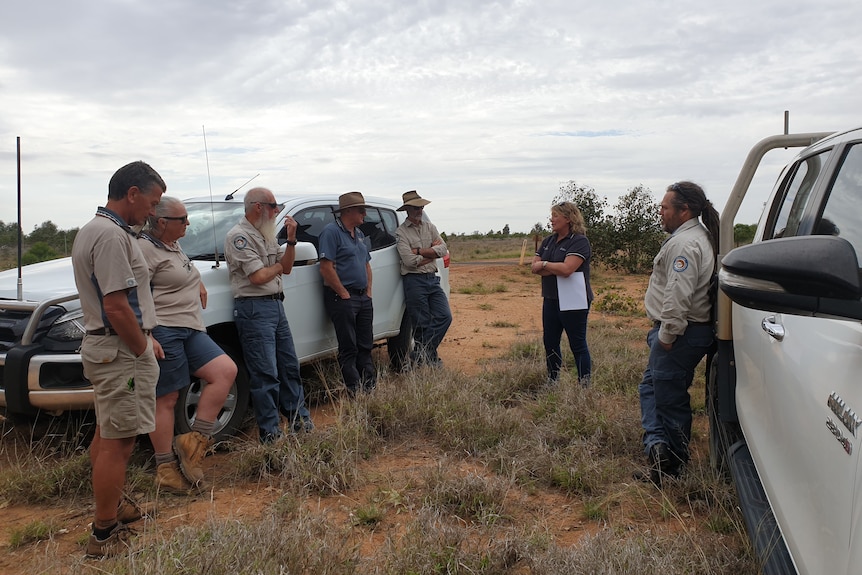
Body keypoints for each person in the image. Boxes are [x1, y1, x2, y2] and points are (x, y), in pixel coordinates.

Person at [72, 161, 165, 558]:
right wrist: (141, 347)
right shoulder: (111, 237)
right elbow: (117, 306)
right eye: (152, 201)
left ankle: (113, 506)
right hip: (119, 351)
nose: (153, 211)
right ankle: (104, 533)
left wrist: (144, 337)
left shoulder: (96, 229)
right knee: (119, 442)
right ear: (132, 193)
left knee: (106, 432)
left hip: (111, 348)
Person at [138, 196, 237, 490]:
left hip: (191, 327)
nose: (188, 223)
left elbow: (181, 270)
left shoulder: (172, 244)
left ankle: (193, 444)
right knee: (167, 397)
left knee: (225, 372)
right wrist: (147, 334)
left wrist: (198, 282)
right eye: (183, 219)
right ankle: (165, 468)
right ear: (161, 222)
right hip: (164, 328)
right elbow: (136, 295)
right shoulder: (143, 249)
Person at [636, 181, 719, 486]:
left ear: (684, 211)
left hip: (680, 334)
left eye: (665, 207)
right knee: (652, 389)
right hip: (685, 332)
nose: (661, 212)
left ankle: (671, 465)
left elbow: (678, 294)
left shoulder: (685, 244)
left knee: (668, 398)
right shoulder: (694, 237)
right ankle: (659, 450)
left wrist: (667, 335)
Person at [223, 187, 312, 443]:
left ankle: (300, 423)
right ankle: (271, 434)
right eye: (274, 206)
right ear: (258, 206)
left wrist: (292, 240)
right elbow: (258, 276)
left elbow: (285, 269)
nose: (277, 211)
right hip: (254, 308)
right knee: (265, 374)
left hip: (274, 305)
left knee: (288, 367)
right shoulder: (239, 236)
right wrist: (274, 267)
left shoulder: (267, 235)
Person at [319, 192, 376, 396]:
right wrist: (343, 293)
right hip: (344, 298)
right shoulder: (331, 232)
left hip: (362, 297)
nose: (365, 213)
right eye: (361, 209)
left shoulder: (358, 234)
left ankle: (369, 387)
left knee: (366, 344)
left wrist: (368, 291)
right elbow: (326, 267)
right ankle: (353, 390)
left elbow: (366, 264)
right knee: (349, 347)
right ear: (348, 211)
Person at [531, 202, 593, 386]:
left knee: (577, 344)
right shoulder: (549, 240)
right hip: (550, 299)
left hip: (574, 300)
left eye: (555, 215)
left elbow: (567, 269)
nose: (551, 219)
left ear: (568, 218)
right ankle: (552, 380)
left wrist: (545, 265)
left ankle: (584, 385)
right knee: (550, 342)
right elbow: (534, 267)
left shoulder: (579, 241)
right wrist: (550, 267)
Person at [395, 190, 452, 368]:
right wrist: (431, 253)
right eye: (415, 207)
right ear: (407, 210)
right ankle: (430, 360)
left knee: (445, 316)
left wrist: (419, 251)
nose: (419, 210)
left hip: (431, 279)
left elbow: (443, 249)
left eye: (421, 207)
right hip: (414, 281)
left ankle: (419, 354)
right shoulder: (401, 233)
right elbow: (409, 262)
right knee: (421, 323)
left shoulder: (430, 227)